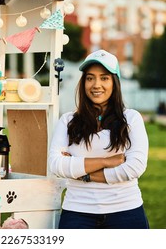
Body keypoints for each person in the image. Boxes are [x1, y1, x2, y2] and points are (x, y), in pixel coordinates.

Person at [49, 49, 149, 229]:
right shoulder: (68, 121)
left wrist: (82, 173)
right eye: (90, 78)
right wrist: (107, 161)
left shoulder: (131, 119)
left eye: (104, 78)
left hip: (126, 210)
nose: (96, 84)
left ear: (114, 82)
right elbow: (56, 164)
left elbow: (134, 168)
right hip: (77, 212)